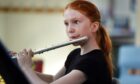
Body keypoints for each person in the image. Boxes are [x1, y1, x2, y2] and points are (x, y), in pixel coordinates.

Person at [16, 0, 113, 84]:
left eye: (76, 22)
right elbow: (53, 79)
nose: (69, 29)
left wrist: (26, 68)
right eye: (66, 23)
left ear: (94, 27)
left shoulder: (93, 61)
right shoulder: (75, 54)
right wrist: (21, 66)